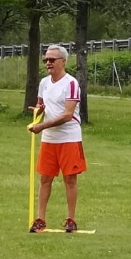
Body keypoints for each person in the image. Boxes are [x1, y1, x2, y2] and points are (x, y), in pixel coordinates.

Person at [28, 44, 87, 233]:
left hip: (69, 137)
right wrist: (38, 111)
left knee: (70, 179)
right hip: (49, 139)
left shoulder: (71, 83)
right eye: (46, 59)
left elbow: (67, 115)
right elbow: (41, 105)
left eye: (52, 60)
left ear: (63, 61)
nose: (48, 63)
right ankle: (40, 219)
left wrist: (42, 126)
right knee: (45, 178)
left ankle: (71, 220)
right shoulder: (44, 83)